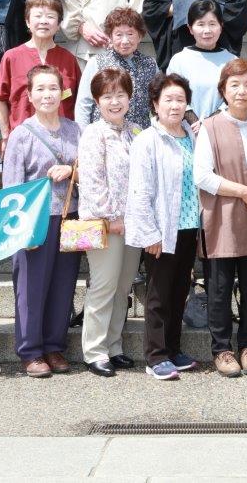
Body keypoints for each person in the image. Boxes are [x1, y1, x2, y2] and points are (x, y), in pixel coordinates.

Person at [195, 59, 247, 377]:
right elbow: (202, 176)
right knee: (220, 287)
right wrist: (245, 192)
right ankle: (223, 350)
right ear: (223, 91)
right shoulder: (210, 127)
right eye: (234, 85)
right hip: (221, 218)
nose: (242, 91)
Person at [2, 65, 81, 378]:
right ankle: (31, 351)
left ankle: (54, 345)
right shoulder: (22, 135)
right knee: (31, 286)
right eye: (40, 89)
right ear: (30, 95)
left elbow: (89, 168)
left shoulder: (76, 130)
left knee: (63, 284)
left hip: (70, 217)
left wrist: (73, 171)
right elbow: (11, 187)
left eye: (53, 88)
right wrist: (20, 229)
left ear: (62, 91)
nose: (47, 95)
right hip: (34, 219)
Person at [125, 73, 201, 380]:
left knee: (180, 289)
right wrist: (149, 234)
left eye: (180, 99)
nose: (174, 105)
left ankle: (173, 348)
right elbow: (140, 190)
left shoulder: (193, 136)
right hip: (161, 228)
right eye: (168, 99)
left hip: (189, 225)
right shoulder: (147, 140)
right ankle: (155, 356)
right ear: (155, 104)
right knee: (158, 294)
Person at [77, 66, 145, 377]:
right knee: (103, 286)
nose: (114, 101)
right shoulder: (93, 133)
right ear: (97, 100)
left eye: (120, 95)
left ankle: (114, 346)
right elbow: (92, 181)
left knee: (123, 286)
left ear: (130, 98)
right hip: (105, 224)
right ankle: (94, 350)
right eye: (107, 96)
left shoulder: (136, 131)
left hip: (134, 224)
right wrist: (112, 216)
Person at [0, 0, 80, 137]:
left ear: (59, 24)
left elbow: (79, 102)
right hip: (22, 139)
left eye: (50, 17)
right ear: (27, 22)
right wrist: (5, 136)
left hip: (63, 140)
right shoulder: (12, 57)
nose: (43, 21)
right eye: (38, 16)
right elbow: (0, 98)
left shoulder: (69, 59)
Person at [73, 7, 159, 129]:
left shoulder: (150, 64)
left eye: (130, 34)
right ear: (110, 36)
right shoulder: (96, 62)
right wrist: (83, 135)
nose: (125, 41)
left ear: (140, 36)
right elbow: (84, 103)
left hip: (139, 134)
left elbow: (159, 99)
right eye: (119, 35)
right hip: (104, 135)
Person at [167, 0, 238, 121]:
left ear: (221, 26)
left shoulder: (232, 61)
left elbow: (234, 98)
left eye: (212, 24)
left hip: (221, 127)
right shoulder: (179, 60)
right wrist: (192, 120)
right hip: (185, 129)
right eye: (200, 24)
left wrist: (210, 123)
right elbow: (172, 95)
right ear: (190, 28)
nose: (207, 30)